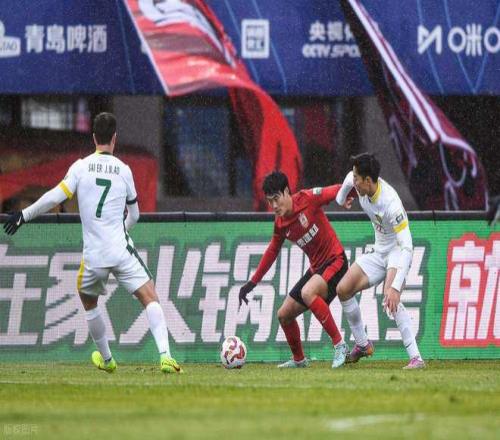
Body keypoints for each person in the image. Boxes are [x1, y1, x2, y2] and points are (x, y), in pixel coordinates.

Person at [3, 112, 182, 374]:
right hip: (120, 250)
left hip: (94, 255)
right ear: (115, 138)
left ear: (94, 137)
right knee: (149, 297)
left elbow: (54, 197)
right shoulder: (124, 170)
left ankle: (107, 360)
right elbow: (135, 215)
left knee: (89, 304)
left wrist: (24, 215)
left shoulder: (81, 167)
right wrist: (119, 231)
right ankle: (166, 356)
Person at [239, 171, 350, 368]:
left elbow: (336, 190)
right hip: (317, 269)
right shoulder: (280, 223)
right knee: (284, 314)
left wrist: (352, 195)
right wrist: (252, 282)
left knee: (308, 292)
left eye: (276, 199)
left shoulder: (308, 199)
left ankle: (340, 345)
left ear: (286, 192)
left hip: (336, 261)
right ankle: (299, 360)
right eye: (269, 201)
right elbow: (272, 251)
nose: (274, 206)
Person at [335, 153, 425, 369]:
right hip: (378, 252)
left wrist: (395, 287)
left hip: (397, 252)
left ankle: (416, 358)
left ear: (368, 180)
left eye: (357, 179)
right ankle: (362, 344)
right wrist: (342, 199)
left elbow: (407, 246)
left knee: (390, 298)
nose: (354, 181)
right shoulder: (356, 182)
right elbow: (344, 186)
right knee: (343, 289)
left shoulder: (391, 204)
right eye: (354, 177)